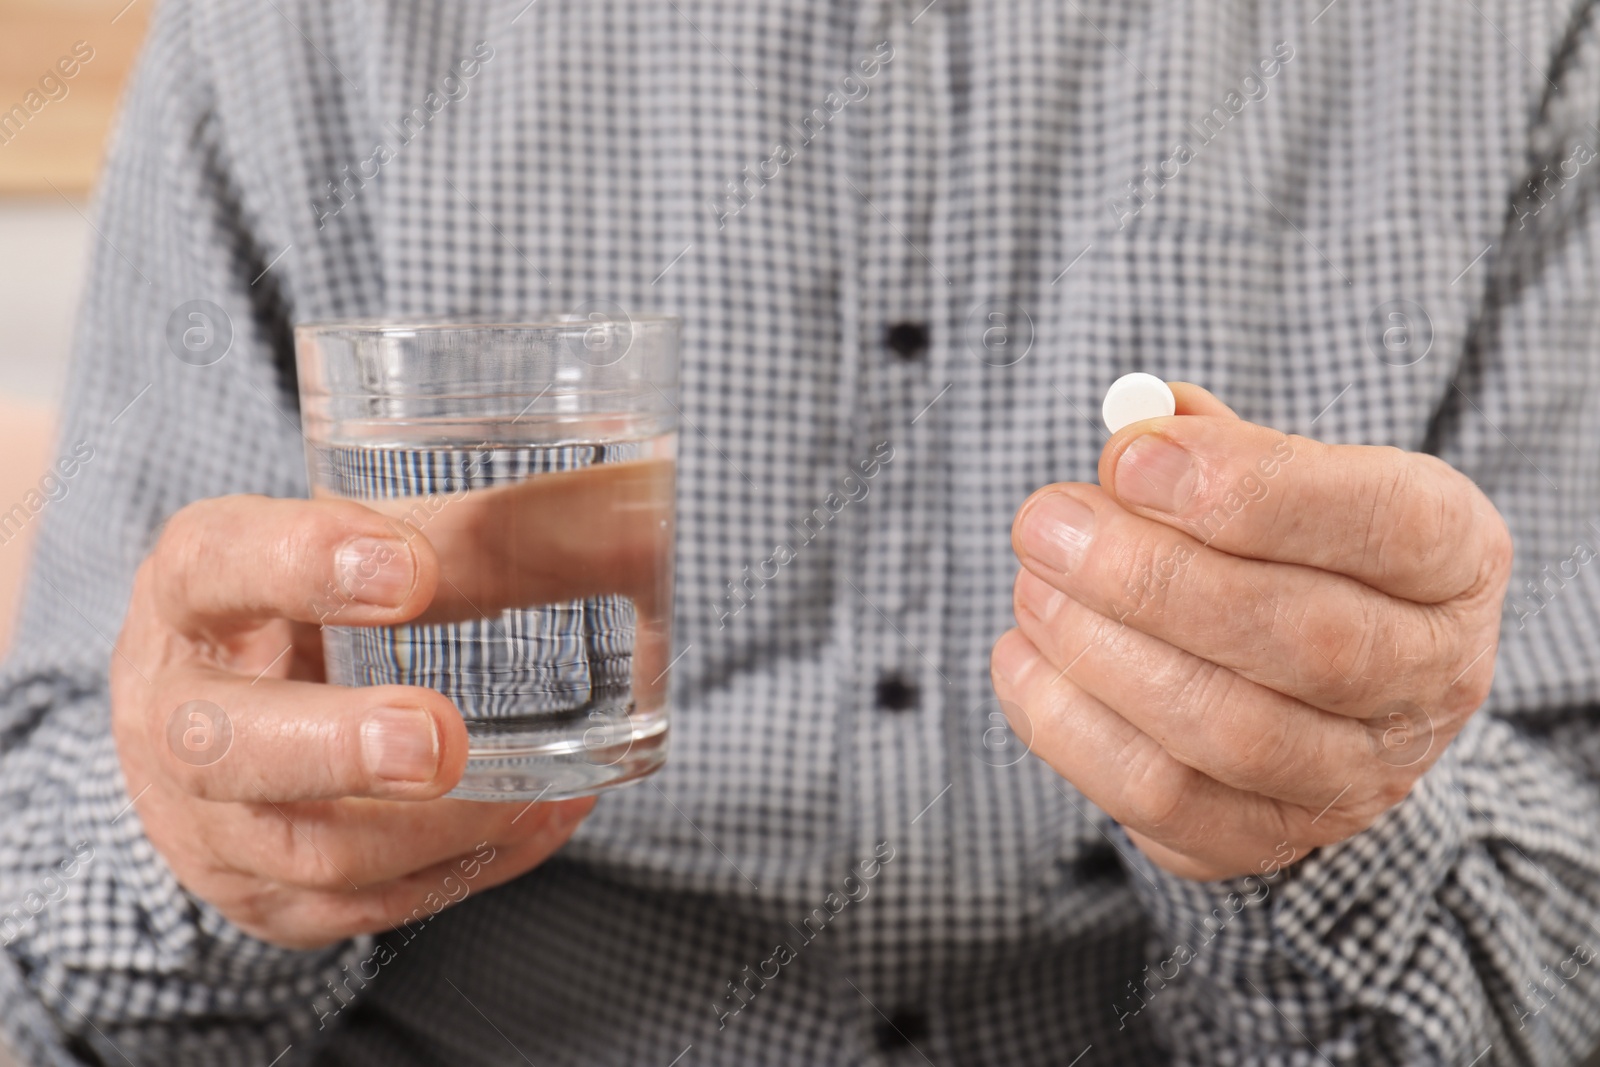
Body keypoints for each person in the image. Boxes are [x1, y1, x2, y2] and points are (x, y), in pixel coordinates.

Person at [2, 0, 1598, 1063]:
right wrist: (202, 844)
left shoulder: (1512, 36)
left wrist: (1334, 821)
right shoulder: (291, 32)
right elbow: (36, 903)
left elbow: (1569, 947)